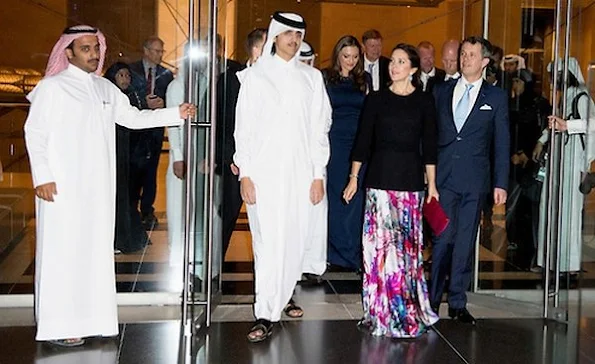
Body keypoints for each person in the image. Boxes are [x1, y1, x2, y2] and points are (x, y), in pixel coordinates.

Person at [24, 25, 195, 347]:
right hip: (60, 188)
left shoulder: (104, 88)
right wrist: (42, 176)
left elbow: (132, 117)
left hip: (97, 189)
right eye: (85, 48)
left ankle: (92, 320)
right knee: (63, 254)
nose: (93, 54)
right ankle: (58, 325)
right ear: (69, 52)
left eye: (96, 47)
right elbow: (35, 133)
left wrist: (175, 113)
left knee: (92, 254)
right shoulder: (52, 88)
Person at [233, 12, 332, 342]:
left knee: (294, 242)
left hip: (302, 174)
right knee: (267, 244)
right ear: (275, 36)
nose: (294, 39)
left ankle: (280, 301)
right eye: (288, 33)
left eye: (298, 34)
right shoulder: (256, 77)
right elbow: (243, 130)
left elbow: (320, 129)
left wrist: (318, 174)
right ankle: (264, 312)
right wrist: (245, 173)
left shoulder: (311, 78)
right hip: (264, 175)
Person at [344, 43, 439, 338]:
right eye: (393, 61)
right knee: (380, 252)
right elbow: (362, 141)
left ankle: (406, 310)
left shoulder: (424, 102)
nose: (393, 66)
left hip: (410, 185)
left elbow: (430, 148)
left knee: (405, 252)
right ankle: (380, 311)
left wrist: (432, 184)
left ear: (413, 69)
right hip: (379, 184)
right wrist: (353, 177)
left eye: (401, 62)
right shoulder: (376, 99)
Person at [430, 36, 509, 324]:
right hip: (444, 179)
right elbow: (429, 135)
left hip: (475, 182)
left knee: (464, 242)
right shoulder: (441, 90)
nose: (465, 59)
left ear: (485, 62)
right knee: (441, 239)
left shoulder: (496, 98)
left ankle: (457, 302)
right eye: (463, 54)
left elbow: (501, 143)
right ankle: (431, 300)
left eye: (472, 55)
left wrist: (501, 183)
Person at [534, 57, 595, 273]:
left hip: (573, 160)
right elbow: (555, 123)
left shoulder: (581, 97)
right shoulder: (565, 99)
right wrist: (542, 141)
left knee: (568, 211)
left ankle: (568, 263)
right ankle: (549, 259)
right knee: (549, 206)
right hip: (559, 159)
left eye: (558, 76)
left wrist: (568, 125)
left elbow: (592, 124)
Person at [216, 28, 267, 261]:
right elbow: (222, 121)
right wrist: (230, 158)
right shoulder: (231, 79)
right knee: (226, 216)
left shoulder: (277, 81)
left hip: (267, 163)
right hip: (235, 163)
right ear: (257, 50)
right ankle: (213, 268)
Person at [322, 35, 369, 272]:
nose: (350, 61)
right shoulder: (325, 77)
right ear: (338, 55)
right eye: (346, 56)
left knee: (357, 199)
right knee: (336, 198)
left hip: (359, 145)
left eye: (354, 56)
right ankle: (333, 252)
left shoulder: (364, 79)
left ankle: (353, 252)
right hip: (334, 144)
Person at [129, 36, 174, 228]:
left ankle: (147, 209)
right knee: (132, 171)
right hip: (134, 129)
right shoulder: (131, 70)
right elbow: (125, 95)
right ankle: (130, 208)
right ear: (146, 50)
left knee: (150, 171)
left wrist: (164, 104)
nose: (159, 55)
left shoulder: (166, 74)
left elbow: (171, 97)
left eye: (161, 51)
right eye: (156, 51)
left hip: (155, 130)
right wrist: (142, 102)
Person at [103, 62, 148, 254]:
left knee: (128, 197)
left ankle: (127, 236)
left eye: (128, 75)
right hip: (112, 156)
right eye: (121, 75)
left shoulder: (133, 97)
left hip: (130, 157)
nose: (125, 79)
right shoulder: (106, 97)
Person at [505, 69, 549, 261]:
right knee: (513, 206)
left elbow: (539, 133)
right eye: (514, 81)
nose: (515, 85)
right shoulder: (512, 104)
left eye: (519, 81)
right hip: (513, 163)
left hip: (530, 165)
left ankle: (530, 246)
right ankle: (515, 240)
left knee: (527, 208)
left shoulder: (538, 105)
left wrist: (526, 154)